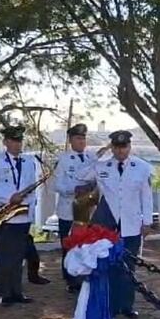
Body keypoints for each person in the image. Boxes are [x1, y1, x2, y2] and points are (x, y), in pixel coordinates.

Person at [75, 130, 153, 319]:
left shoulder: (141, 167)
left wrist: (147, 221)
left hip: (131, 224)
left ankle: (126, 305)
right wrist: (98, 155)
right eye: (117, 147)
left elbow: (146, 196)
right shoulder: (103, 165)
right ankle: (109, 306)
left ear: (129, 147)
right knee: (108, 266)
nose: (120, 151)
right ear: (113, 148)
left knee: (128, 266)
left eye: (124, 147)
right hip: (107, 225)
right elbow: (81, 176)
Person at [0, 125, 40, 306]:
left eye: (20, 141)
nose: (17, 144)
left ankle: (17, 291)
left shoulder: (29, 162)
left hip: (22, 215)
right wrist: (9, 197)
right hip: (5, 214)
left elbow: (32, 187)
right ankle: (5, 293)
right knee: (6, 256)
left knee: (19, 256)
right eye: (14, 141)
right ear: (6, 142)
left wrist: (27, 204)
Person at [53, 123, 97, 293]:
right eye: (78, 138)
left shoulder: (91, 158)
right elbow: (58, 185)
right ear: (71, 140)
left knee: (85, 244)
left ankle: (84, 273)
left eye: (83, 138)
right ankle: (70, 278)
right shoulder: (63, 160)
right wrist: (74, 189)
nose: (82, 141)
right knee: (69, 244)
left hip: (87, 208)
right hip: (68, 209)